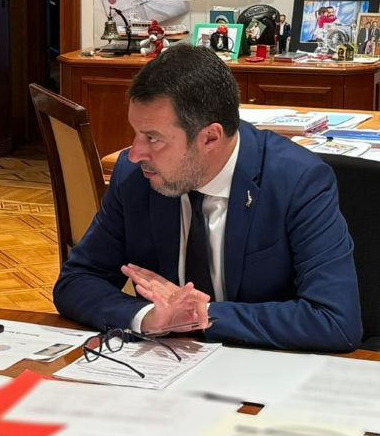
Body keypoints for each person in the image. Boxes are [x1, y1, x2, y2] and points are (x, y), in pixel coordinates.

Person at [53, 45, 362, 352]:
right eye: (136, 132)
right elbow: (76, 280)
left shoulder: (296, 181)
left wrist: (200, 315)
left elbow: (336, 321)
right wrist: (147, 317)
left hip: (264, 364)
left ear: (210, 137)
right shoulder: (134, 177)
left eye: (153, 138)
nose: (135, 153)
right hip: (164, 365)